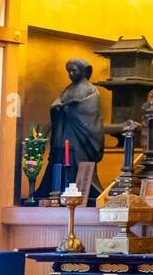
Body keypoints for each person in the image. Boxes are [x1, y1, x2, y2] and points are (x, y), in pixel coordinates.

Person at [37, 58, 105, 199]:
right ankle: (57, 192)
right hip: (64, 133)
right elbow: (56, 104)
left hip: (80, 138)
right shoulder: (67, 89)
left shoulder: (91, 90)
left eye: (74, 70)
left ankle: (82, 193)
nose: (71, 74)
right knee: (60, 161)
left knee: (76, 162)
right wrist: (58, 108)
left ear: (84, 71)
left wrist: (72, 108)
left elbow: (90, 111)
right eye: (69, 71)